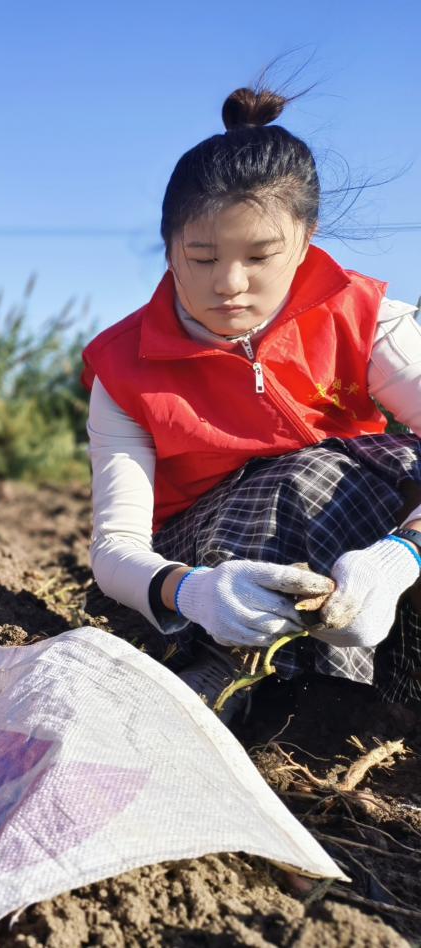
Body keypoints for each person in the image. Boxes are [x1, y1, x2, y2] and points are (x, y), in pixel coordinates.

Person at [83, 84, 421, 713]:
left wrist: (398, 558)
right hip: (195, 572)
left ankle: (353, 685)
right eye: (202, 256)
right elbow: (115, 550)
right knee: (307, 478)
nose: (229, 285)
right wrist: (195, 593)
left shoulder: (370, 323)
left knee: (396, 467)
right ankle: (234, 675)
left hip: (349, 542)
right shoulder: (124, 367)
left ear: (305, 239)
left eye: (261, 256)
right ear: (168, 247)